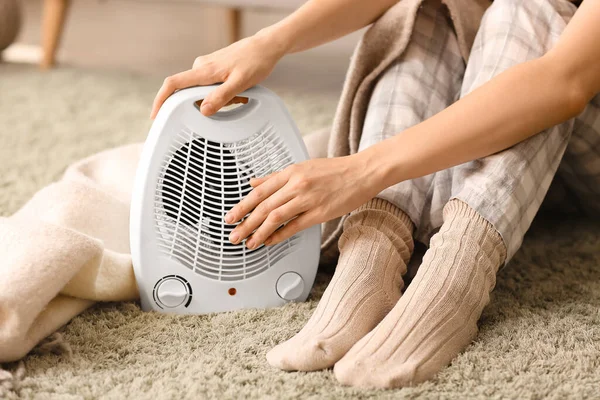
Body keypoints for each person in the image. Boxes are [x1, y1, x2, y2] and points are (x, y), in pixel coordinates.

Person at [151, 0, 600, 389]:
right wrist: (271, 42)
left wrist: (360, 171)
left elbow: (564, 83)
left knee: (527, 8)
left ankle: (458, 270)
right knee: (427, 12)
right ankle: (372, 256)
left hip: (576, 131)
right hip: (537, 160)